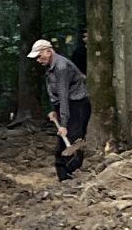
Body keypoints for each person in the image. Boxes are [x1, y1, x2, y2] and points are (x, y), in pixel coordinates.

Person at [29, 37, 90, 181]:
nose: (38, 60)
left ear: (48, 52)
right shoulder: (51, 67)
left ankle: (70, 175)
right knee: (60, 148)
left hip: (77, 106)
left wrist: (63, 124)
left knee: (73, 145)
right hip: (66, 107)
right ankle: (63, 179)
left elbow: (63, 94)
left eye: (39, 56)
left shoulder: (61, 67)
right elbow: (55, 93)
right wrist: (54, 109)